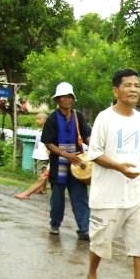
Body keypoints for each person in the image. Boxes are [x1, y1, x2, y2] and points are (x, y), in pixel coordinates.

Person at [80, 68, 140, 279]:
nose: (134, 89)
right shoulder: (104, 118)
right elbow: (94, 153)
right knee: (100, 241)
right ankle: (91, 278)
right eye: (128, 85)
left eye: (137, 85)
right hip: (108, 194)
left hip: (135, 193)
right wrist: (119, 167)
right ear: (116, 90)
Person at [41, 82, 92, 239]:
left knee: (80, 197)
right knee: (57, 198)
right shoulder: (52, 119)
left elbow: (87, 136)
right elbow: (48, 143)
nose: (66, 100)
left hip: (78, 163)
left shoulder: (78, 116)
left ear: (72, 99)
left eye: (69, 97)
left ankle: (84, 229)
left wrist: (95, 147)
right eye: (63, 97)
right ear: (58, 100)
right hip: (59, 165)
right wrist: (65, 154)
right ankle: (55, 224)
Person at [14, 112, 50, 200]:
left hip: (43, 155)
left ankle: (42, 188)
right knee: (40, 172)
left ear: (46, 121)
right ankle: (42, 188)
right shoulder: (38, 131)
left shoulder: (47, 131)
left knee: (42, 172)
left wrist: (48, 151)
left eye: (39, 119)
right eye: (36, 119)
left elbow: (48, 143)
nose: (37, 121)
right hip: (37, 154)